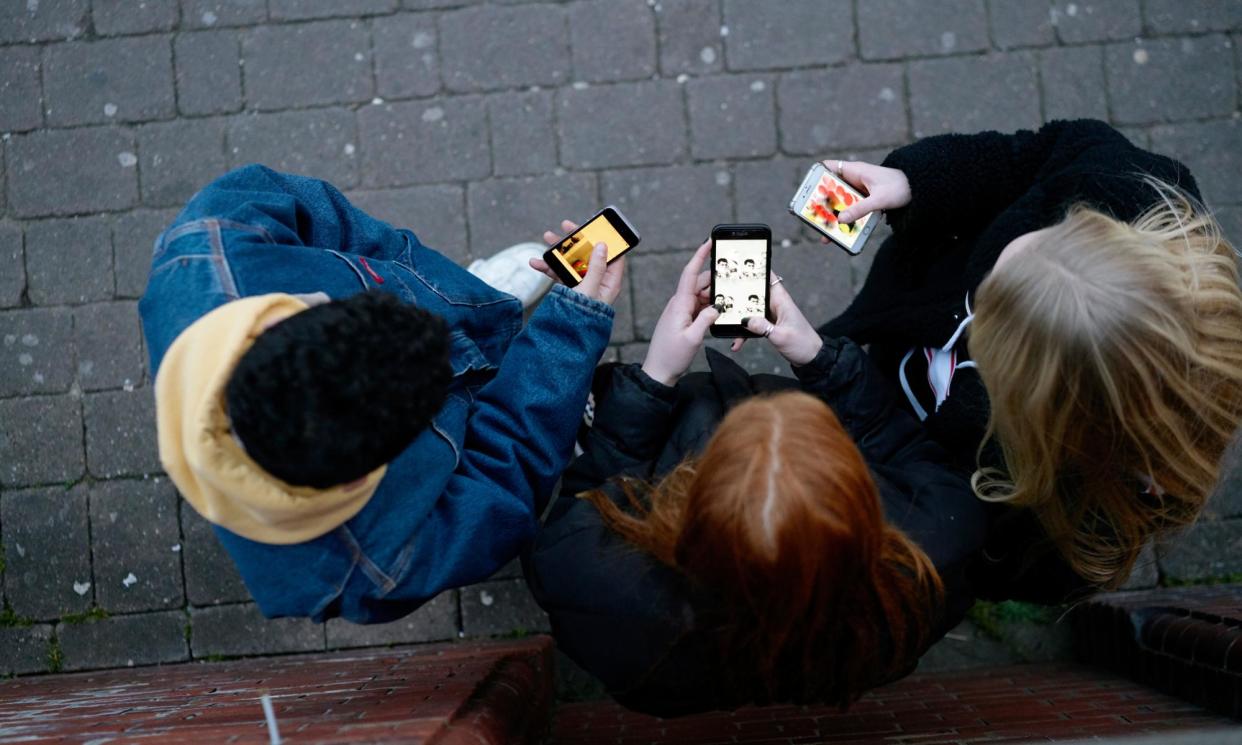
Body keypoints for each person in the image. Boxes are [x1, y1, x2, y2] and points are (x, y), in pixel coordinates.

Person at [140, 165, 624, 624]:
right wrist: (570, 330)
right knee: (508, 381)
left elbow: (323, 213)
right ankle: (491, 325)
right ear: (359, 482)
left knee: (454, 304)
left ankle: (475, 299)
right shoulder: (374, 569)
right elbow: (505, 475)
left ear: (287, 315)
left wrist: (407, 271)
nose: (442, 340)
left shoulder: (211, 244)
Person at [524, 241, 988, 716]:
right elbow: (902, 446)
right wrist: (817, 357)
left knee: (603, 413)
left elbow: (586, 498)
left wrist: (654, 378)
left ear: (693, 497)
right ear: (858, 491)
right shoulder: (937, 555)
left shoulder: (603, 591)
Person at [818, 119, 1242, 602]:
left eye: (992, 307)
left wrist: (827, 370)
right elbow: (1031, 157)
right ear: (1088, 227)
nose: (975, 289)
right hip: (891, 334)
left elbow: (946, 531)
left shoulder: (1058, 520)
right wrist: (918, 182)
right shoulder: (1129, 189)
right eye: (1040, 228)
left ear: (1029, 399)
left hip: (886, 427)